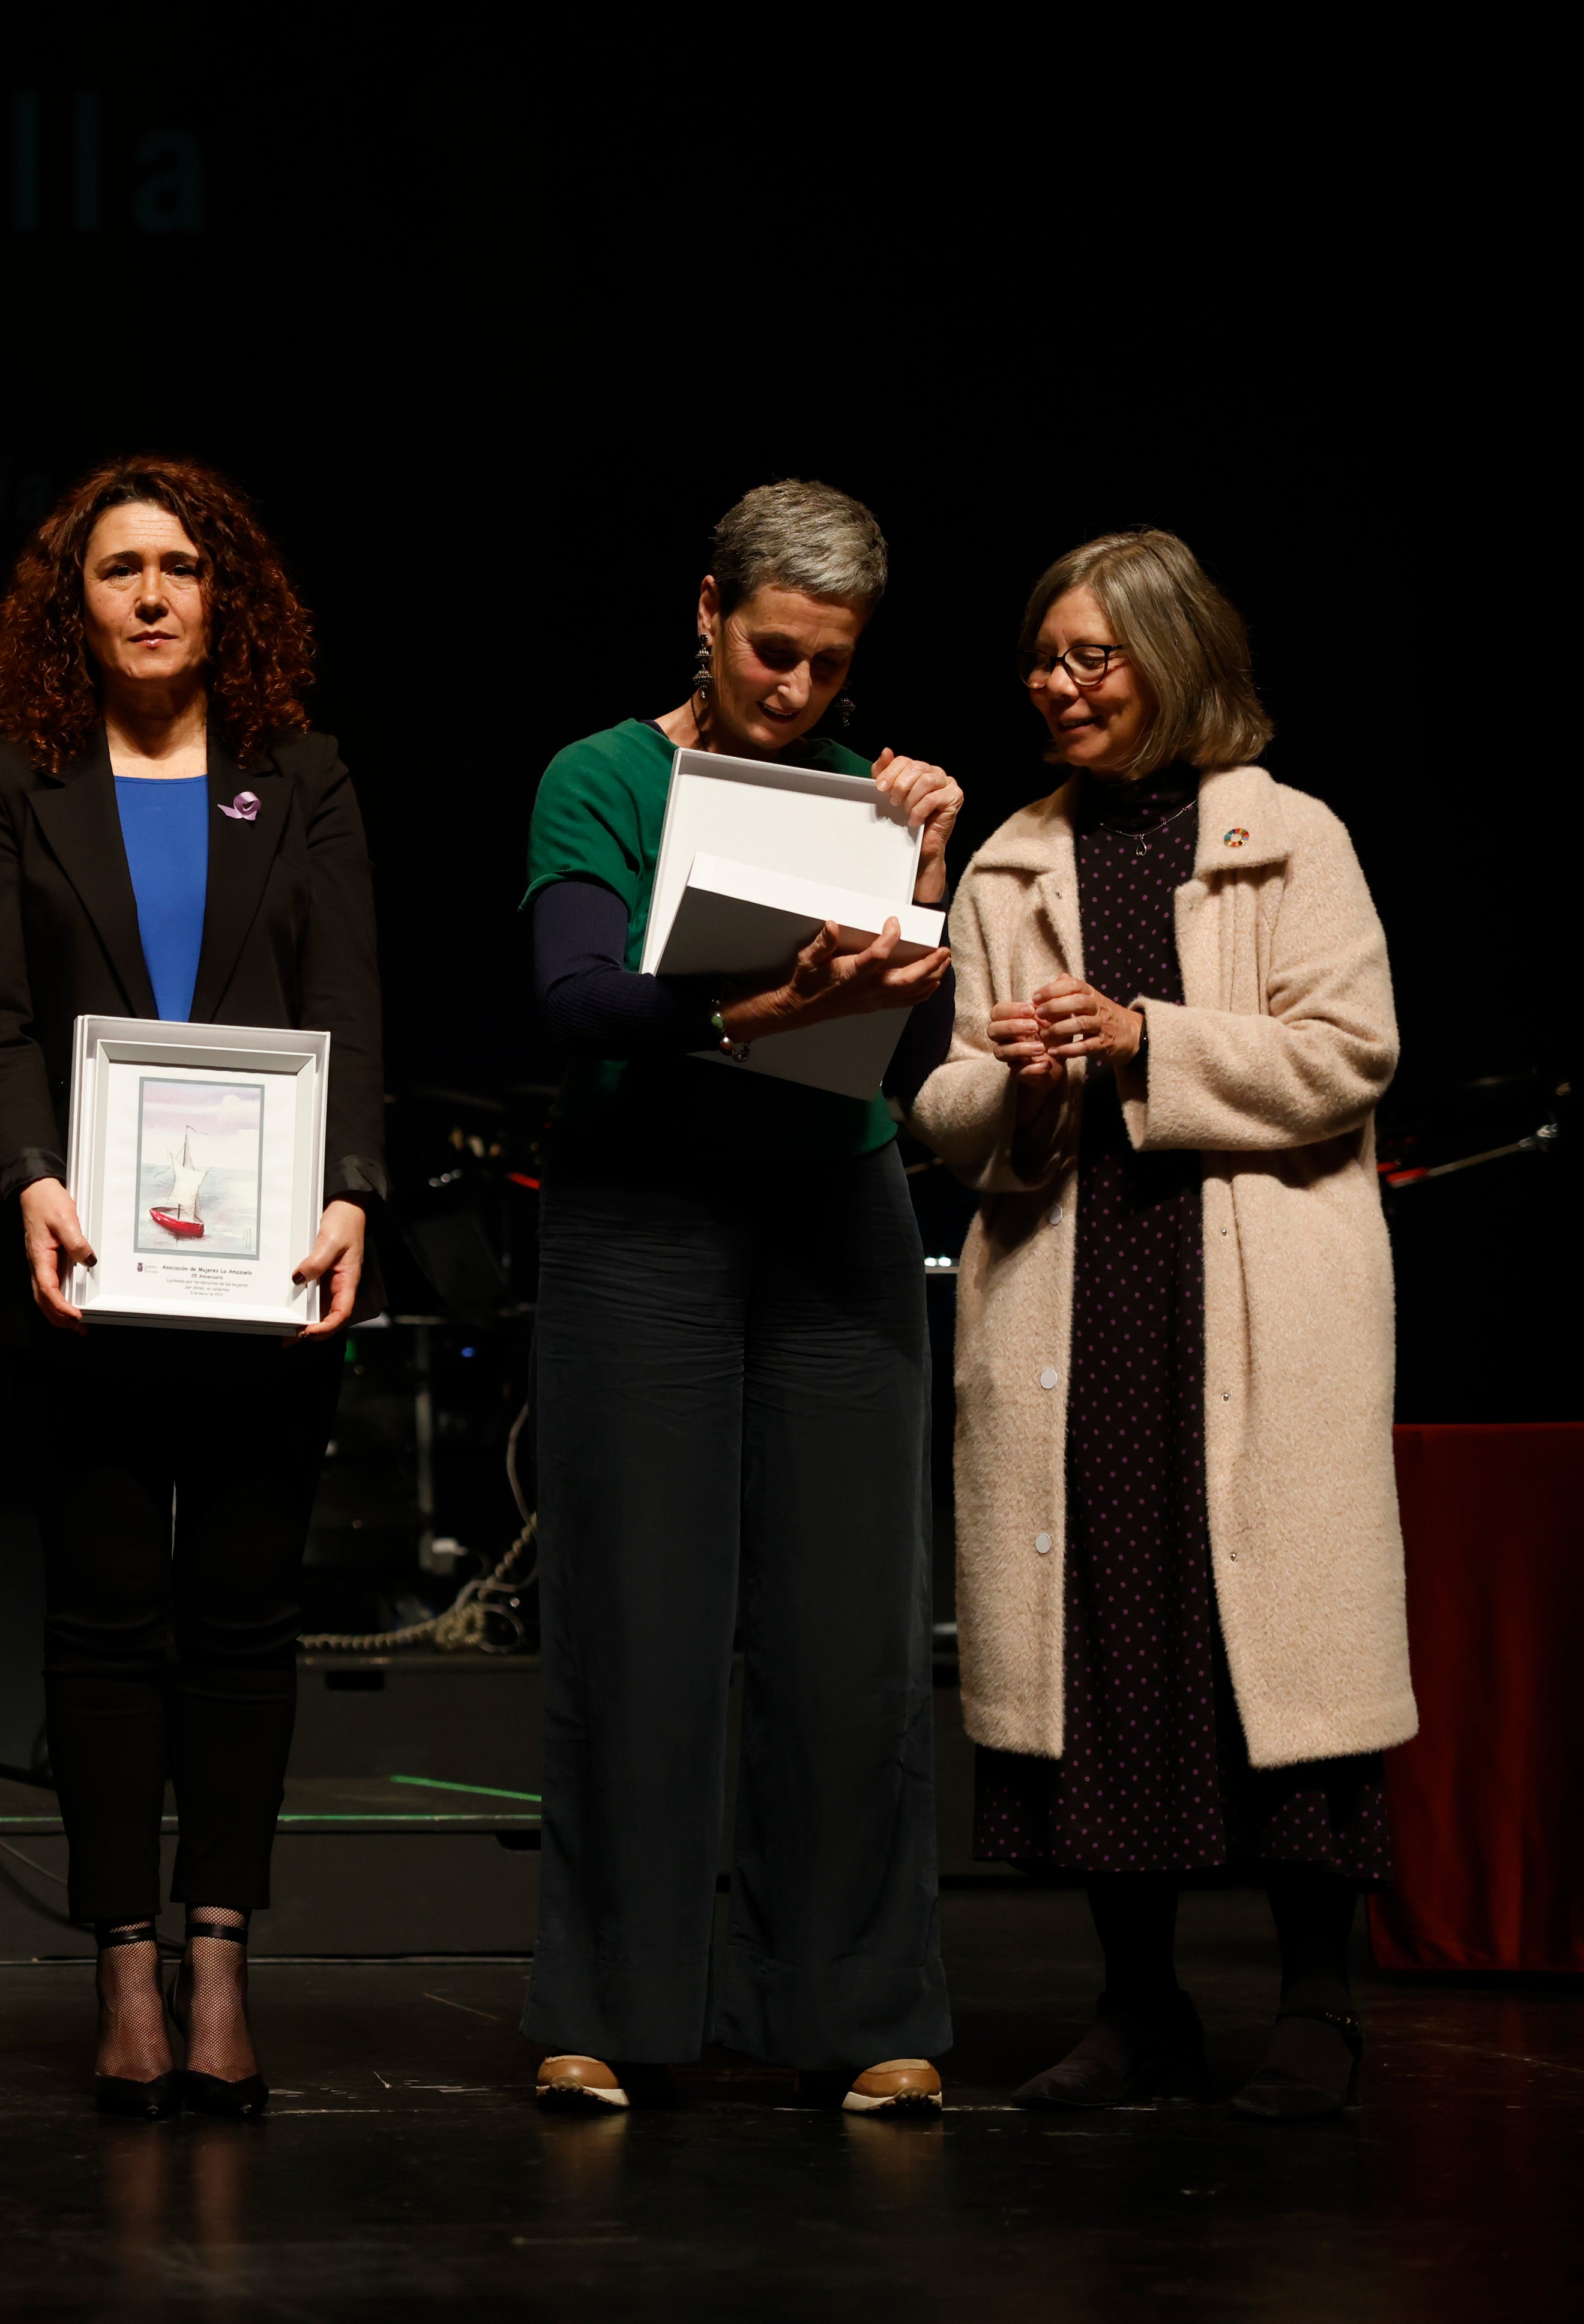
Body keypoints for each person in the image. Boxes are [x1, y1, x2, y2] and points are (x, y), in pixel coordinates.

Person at [911, 530, 1408, 2121]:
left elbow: (1352, 1053)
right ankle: (1138, 2006)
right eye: (1043, 661)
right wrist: (1031, 1077)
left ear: (1172, 658)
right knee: (1104, 1636)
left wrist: (1146, 1043)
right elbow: (942, 1111)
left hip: (1252, 1288)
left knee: (1279, 1648)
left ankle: (1320, 2002)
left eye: (1091, 658)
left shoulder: (1291, 837)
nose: (1057, 687)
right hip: (1081, 1286)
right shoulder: (1009, 862)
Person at [0, 454, 385, 2121]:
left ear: (225, 600)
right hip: (82, 1265)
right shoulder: (10, 782)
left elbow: (349, 1001)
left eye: (180, 568)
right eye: (118, 569)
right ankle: (121, 1960)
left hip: (267, 1264)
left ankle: (221, 1954)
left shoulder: (305, 777)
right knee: (109, 1615)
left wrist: (349, 1190)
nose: (148, 593)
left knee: (245, 1620)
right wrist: (34, 1181)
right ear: (76, 607)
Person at [517, 480, 966, 2115]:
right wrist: (745, 1005)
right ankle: (611, 2011)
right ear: (706, 612)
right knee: (641, 1625)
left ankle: (857, 2012)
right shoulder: (607, 775)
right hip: (646, 1214)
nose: (794, 691)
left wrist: (923, 875)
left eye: (828, 669)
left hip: (832, 1207)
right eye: (771, 651)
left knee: (851, 1635)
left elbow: (912, 1025)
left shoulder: (870, 795)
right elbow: (576, 993)